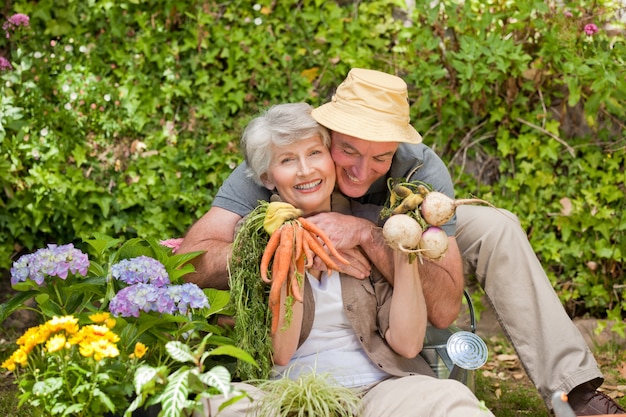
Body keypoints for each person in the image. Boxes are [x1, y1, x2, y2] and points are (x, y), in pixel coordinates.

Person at [178, 68, 625, 415]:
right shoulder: (293, 155)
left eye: (380, 157)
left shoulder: (419, 166)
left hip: (401, 225)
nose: (361, 169)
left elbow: (444, 307)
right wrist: (278, 241)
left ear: (397, 148)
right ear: (326, 133)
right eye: (348, 151)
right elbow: (195, 259)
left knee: (498, 226)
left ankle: (575, 390)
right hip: (298, 233)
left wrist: (367, 235)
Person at [210, 102, 493, 416]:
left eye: (315, 154)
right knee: (214, 403)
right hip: (287, 393)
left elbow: (408, 344)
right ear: (267, 178)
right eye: (288, 160)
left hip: (378, 387)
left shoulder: (372, 226)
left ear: (331, 159)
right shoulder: (254, 239)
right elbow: (280, 352)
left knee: (453, 400)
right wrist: (295, 254)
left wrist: (404, 248)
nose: (305, 170)